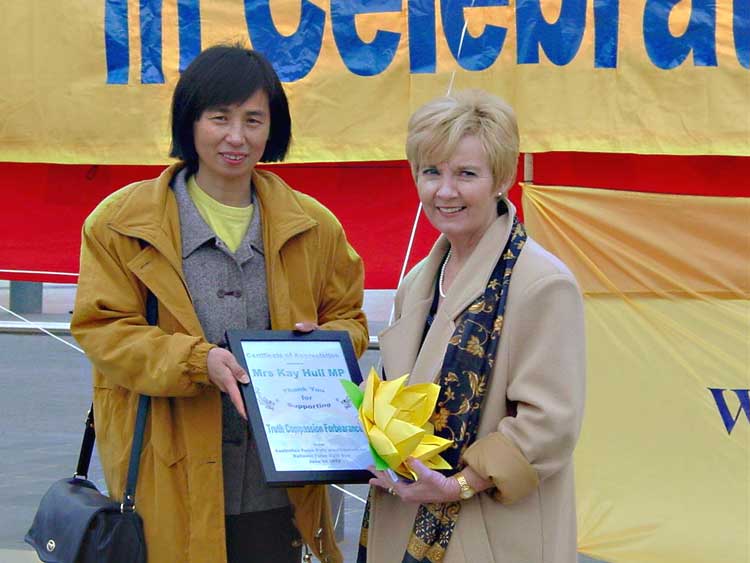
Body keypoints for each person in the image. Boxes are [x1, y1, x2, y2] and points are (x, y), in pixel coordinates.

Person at [70, 44, 368, 563]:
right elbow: (103, 329)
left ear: (273, 128)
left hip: (280, 490)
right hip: (168, 479)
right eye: (219, 118)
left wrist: (325, 345)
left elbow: (349, 317)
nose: (236, 137)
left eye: (253, 120)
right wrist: (195, 361)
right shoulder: (122, 224)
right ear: (190, 122)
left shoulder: (314, 225)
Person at [358, 89, 585, 563]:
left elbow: (549, 423)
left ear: (501, 179)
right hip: (403, 519)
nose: (445, 191)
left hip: (490, 532)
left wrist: (459, 484)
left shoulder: (542, 283)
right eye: (431, 172)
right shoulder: (417, 281)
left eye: (466, 174)